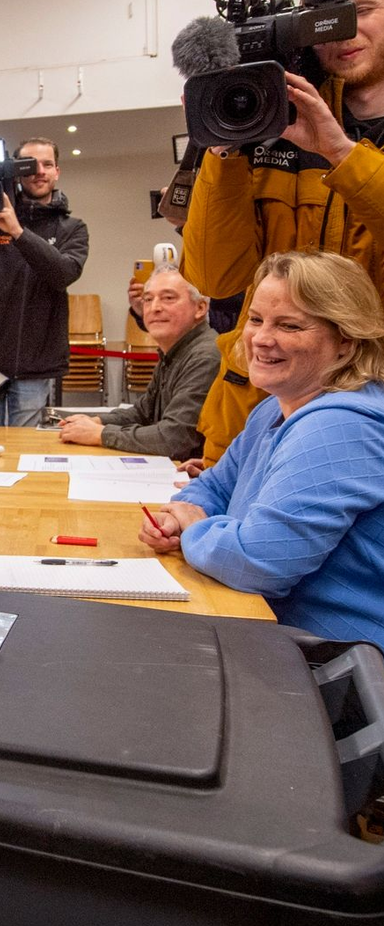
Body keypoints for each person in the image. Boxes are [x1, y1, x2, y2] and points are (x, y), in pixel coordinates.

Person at [184, 0, 384, 463]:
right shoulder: (274, 121)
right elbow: (216, 277)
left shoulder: (324, 137)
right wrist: (222, 143)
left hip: (369, 410)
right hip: (257, 418)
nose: (342, 33)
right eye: (323, 22)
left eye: (360, 13)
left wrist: (340, 153)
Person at [139, 251, 384, 646]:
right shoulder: (275, 407)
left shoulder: (341, 424)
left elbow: (260, 561)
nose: (262, 338)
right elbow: (215, 487)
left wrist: (192, 528)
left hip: (347, 669)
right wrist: (176, 518)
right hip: (277, 636)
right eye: (255, 320)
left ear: (346, 341)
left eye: (289, 325)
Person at [0, 139, 90, 426]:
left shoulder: (72, 228)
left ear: (57, 171)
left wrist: (17, 231)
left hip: (36, 364)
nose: (39, 172)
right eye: (29, 165)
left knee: (25, 451)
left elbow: (63, 274)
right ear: (16, 172)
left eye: (47, 164)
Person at [58, 266, 220, 460]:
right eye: (148, 299)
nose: (155, 307)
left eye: (169, 298)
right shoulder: (175, 350)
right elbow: (143, 413)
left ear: (200, 308)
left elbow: (174, 439)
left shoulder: (205, 356)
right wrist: (95, 421)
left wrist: (99, 434)